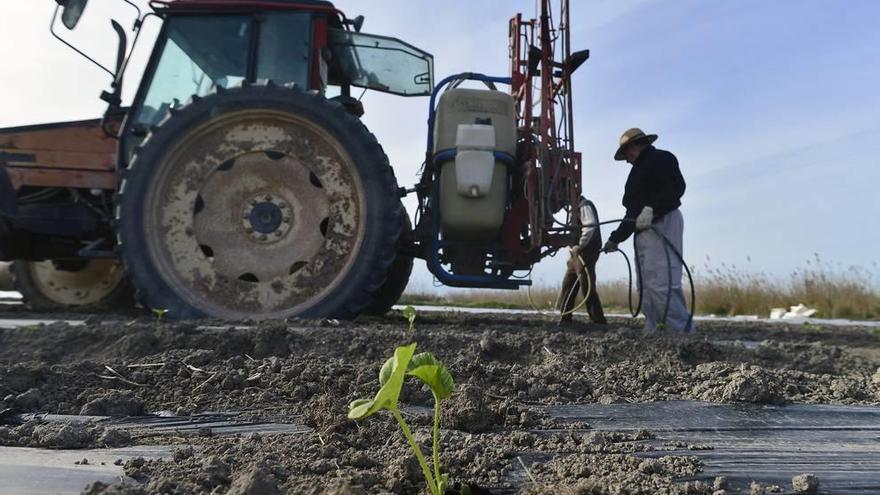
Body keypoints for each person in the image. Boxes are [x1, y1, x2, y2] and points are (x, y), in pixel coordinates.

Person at [603, 128, 694, 333]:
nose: (626, 160)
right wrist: (615, 238)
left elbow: (676, 186)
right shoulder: (637, 171)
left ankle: (679, 332)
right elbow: (632, 212)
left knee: (663, 281)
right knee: (646, 284)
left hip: (663, 222)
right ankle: (653, 328)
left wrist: (653, 208)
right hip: (643, 229)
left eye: (626, 155)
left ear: (634, 146)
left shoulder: (662, 158)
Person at [558, 196, 607, 325]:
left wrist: (579, 246)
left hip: (585, 253)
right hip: (576, 255)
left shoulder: (584, 205)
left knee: (587, 285)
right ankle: (565, 318)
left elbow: (590, 227)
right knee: (568, 285)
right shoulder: (574, 210)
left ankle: (598, 320)